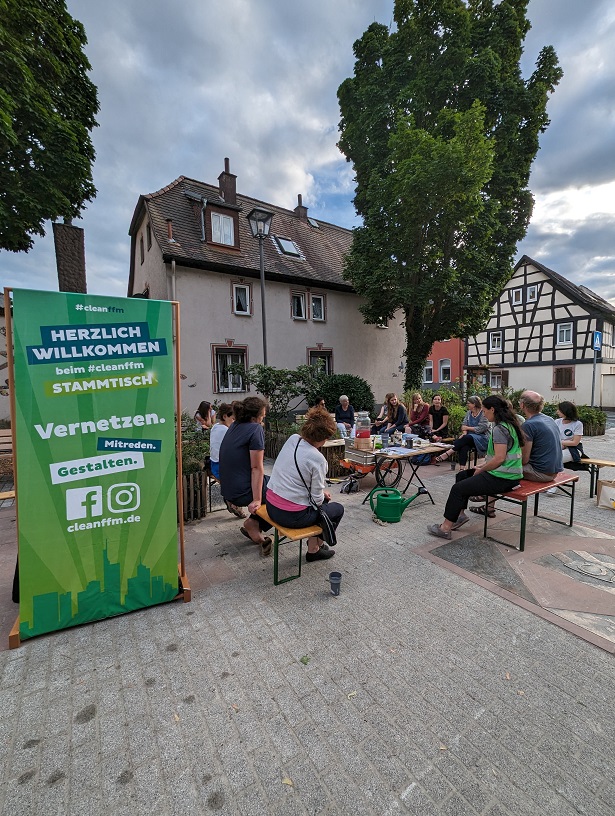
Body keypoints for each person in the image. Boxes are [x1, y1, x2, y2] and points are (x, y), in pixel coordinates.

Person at [427, 396, 524, 538]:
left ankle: (445, 528)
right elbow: (500, 457)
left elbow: (499, 458)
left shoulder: (500, 429)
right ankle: (459, 516)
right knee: (461, 476)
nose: (483, 414)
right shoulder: (510, 424)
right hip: (505, 474)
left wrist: (481, 469)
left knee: (457, 489)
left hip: (504, 478)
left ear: (492, 409)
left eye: (485, 411)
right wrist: (483, 465)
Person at [266, 407, 344, 562]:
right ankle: (315, 549)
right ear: (323, 438)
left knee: (322, 503)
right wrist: (322, 496)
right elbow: (316, 500)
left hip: (271, 506)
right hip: (291, 516)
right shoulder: (318, 459)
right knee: (336, 509)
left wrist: (321, 496)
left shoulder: (293, 439)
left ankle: (315, 543)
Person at [218, 396, 272, 555]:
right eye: (262, 415)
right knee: (283, 492)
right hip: (242, 492)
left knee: (274, 483)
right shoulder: (255, 429)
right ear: (254, 417)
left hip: (228, 490)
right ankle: (254, 523)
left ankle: (254, 524)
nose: (264, 418)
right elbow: (256, 468)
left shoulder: (235, 425)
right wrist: (256, 500)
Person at [518, 390, 563, 482]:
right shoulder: (549, 419)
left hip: (540, 473)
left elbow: (524, 460)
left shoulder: (528, 425)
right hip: (553, 471)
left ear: (522, 405)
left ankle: (486, 496)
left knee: (496, 468)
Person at [434, 396, 490, 469]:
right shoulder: (469, 413)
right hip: (470, 437)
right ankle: (462, 469)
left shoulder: (483, 413)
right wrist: (464, 433)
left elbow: (481, 428)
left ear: (474, 404)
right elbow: (464, 424)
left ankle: (448, 452)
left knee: (467, 437)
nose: (467, 405)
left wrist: (467, 428)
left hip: (483, 438)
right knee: (463, 446)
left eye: (468, 403)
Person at [208, 403, 234, 480]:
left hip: (214, 465)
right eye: (233, 419)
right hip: (222, 468)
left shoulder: (215, 426)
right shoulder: (225, 430)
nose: (234, 422)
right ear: (225, 416)